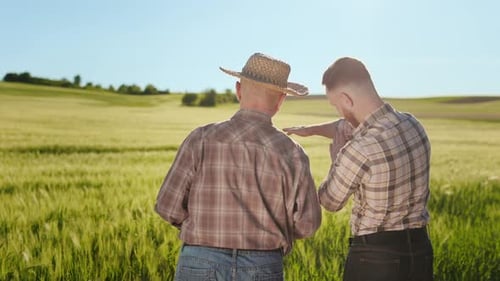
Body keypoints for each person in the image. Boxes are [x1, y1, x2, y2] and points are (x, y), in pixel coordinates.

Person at [155, 53, 322, 281]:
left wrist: (205, 227)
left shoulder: (200, 139)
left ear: (238, 90)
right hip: (263, 265)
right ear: (281, 100)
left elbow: (167, 207)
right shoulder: (292, 152)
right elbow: (307, 224)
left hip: (200, 259)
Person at [284, 57, 433, 281]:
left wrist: (336, 161)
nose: (338, 111)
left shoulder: (359, 149)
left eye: (336, 105)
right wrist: (310, 130)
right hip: (420, 251)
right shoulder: (412, 124)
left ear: (346, 99)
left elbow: (330, 201)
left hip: (376, 259)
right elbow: (344, 125)